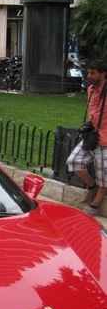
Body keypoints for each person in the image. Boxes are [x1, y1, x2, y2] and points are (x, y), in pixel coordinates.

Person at [66, 59, 107, 216]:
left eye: (93, 73)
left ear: (103, 75)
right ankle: (91, 186)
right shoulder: (90, 89)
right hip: (91, 136)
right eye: (88, 72)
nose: (89, 75)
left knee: (103, 176)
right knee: (73, 161)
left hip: (105, 140)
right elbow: (94, 112)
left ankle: (95, 205)